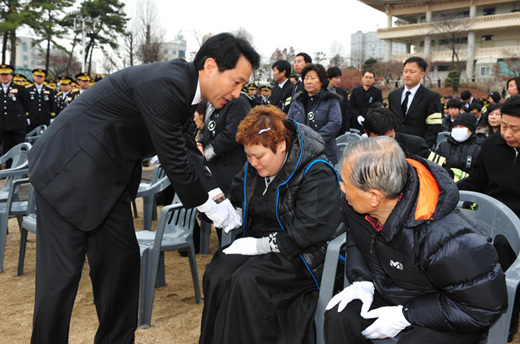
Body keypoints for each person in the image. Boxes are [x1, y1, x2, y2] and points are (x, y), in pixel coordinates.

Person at [27, 32, 260, 343]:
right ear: (210, 66)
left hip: (108, 182)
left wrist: (218, 197)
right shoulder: (168, 82)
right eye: (236, 82)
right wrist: (206, 205)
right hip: (67, 174)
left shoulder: (186, 93)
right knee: (60, 280)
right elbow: (173, 156)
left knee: (122, 267)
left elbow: (188, 147)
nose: (237, 92)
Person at [324, 136, 507, 343]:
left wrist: (406, 315)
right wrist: (362, 280)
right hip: (394, 290)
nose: (342, 188)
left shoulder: (449, 240)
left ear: (374, 196)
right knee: (340, 317)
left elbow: (482, 306)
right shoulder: (356, 207)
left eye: (346, 183)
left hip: (446, 310)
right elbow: (358, 238)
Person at [199, 105, 341, 344]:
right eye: (248, 156)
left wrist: (260, 246)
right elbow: (237, 195)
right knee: (217, 272)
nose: (253, 163)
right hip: (262, 243)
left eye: (259, 156)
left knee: (247, 282)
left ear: (282, 146)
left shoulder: (316, 171)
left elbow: (312, 229)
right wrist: (223, 209)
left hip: (303, 254)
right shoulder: (255, 167)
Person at [457, 94, 520, 341]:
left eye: (514, 128)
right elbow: (477, 181)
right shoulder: (492, 145)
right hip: (489, 217)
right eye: (503, 126)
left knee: (501, 250)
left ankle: (504, 322)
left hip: (514, 228)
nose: (506, 133)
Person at [287, 63, 342, 164]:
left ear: (321, 80)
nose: (308, 82)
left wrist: (314, 140)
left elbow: (335, 123)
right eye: (306, 78)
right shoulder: (297, 100)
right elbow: (289, 122)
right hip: (300, 153)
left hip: (325, 152)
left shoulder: (331, 100)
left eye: (312, 78)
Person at [388, 56, 442, 147]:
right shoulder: (393, 95)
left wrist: (424, 148)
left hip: (418, 147)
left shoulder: (431, 96)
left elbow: (434, 128)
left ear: (422, 74)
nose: (407, 75)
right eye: (405, 71)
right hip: (395, 147)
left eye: (412, 72)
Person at [430, 112, 483, 181]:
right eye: (455, 126)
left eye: (462, 127)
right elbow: (435, 166)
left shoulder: (479, 147)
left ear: (471, 129)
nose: (458, 129)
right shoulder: (443, 145)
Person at [363, 107, 430, 159]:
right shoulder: (360, 151)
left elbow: (438, 170)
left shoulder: (415, 145)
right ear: (366, 133)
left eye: (390, 138)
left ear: (394, 130)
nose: (384, 144)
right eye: (378, 140)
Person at [0, 64, 30, 158]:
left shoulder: (20, 88)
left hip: (18, 123)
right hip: (3, 123)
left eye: (7, 74)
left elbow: (27, 104)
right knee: (6, 147)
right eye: (2, 75)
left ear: (11, 75)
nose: (4, 77)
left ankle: (20, 169)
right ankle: (8, 169)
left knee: (19, 147)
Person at [327, 66, 351, 136]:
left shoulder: (342, 92)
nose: (338, 80)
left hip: (340, 127)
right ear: (329, 78)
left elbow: (346, 111)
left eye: (339, 78)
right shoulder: (322, 92)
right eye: (336, 78)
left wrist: (347, 129)